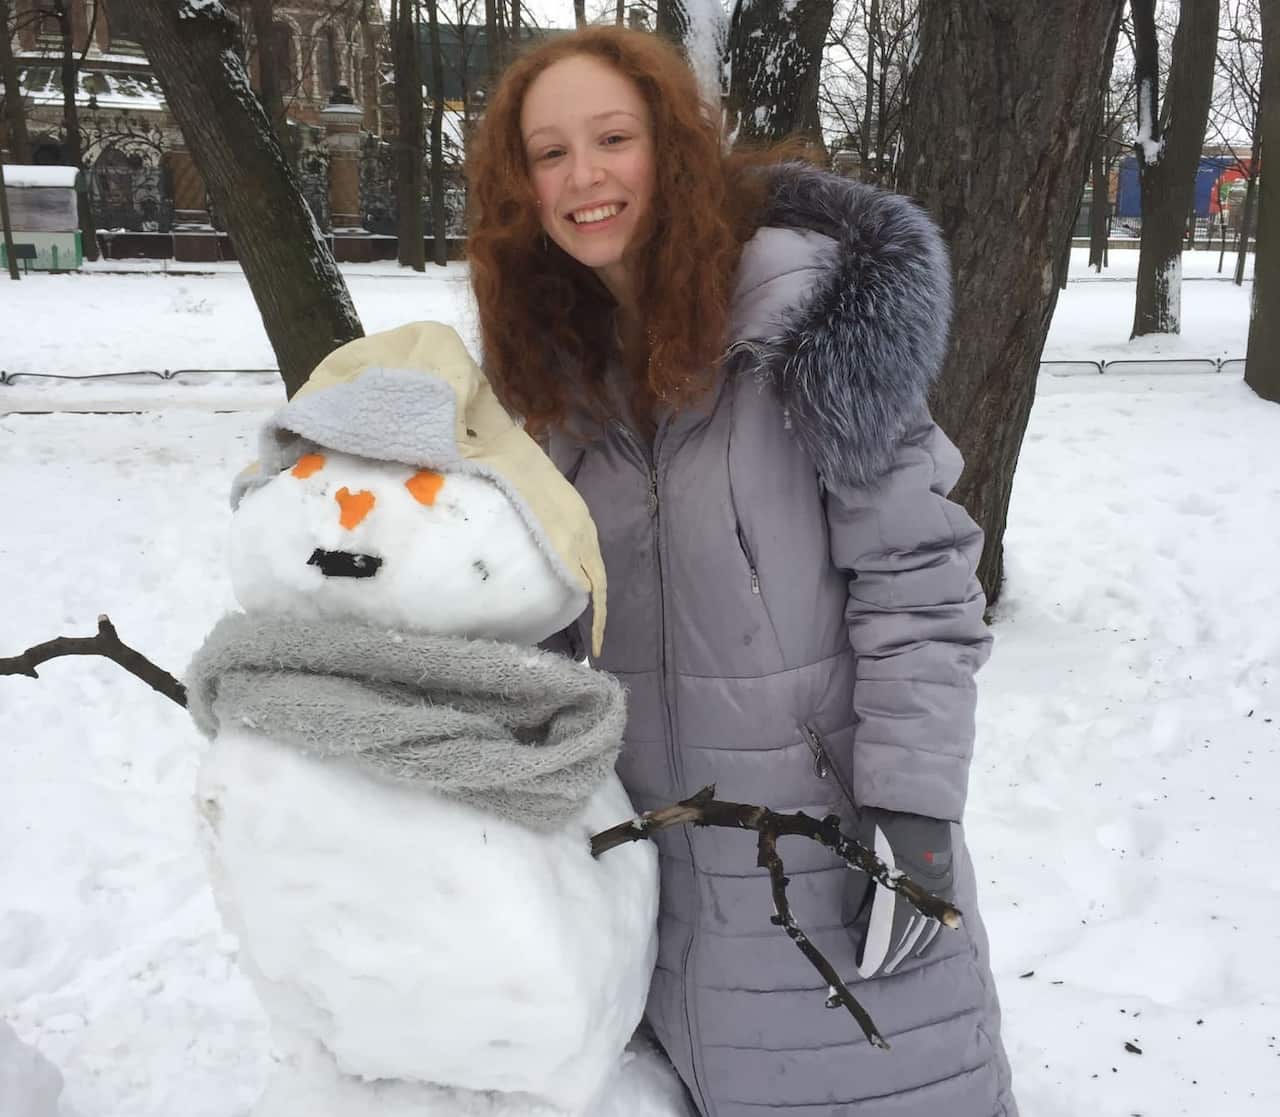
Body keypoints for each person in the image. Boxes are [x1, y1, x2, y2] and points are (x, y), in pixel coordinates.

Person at [465, 25, 1018, 1117]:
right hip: (649, 869)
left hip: (821, 853)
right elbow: (534, 614)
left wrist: (910, 809)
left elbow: (919, 577)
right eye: (549, 153)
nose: (584, 177)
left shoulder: (800, 318)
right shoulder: (550, 374)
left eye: (611, 138)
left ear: (668, 146)